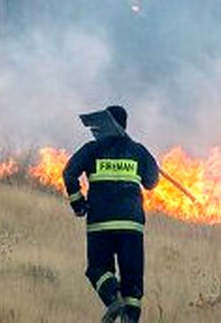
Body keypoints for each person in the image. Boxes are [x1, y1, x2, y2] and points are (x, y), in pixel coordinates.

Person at [62, 105, 158, 323]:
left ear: (105, 123)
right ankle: (130, 319)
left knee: (97, 268)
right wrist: (145, 162)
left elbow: (69, 174)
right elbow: (152, 182)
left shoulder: (92, 149)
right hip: (132, 226)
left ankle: (113, 299)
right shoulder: (138, 150)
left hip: (101, 223)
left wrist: (78, 203)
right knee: (132, 279)